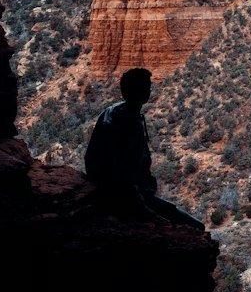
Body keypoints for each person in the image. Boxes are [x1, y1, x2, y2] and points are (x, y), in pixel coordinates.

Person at [84, 67, 203, 229]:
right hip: (127, 197)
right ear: (142, 92)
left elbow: (93, 160)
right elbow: (123, 177)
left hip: (113, 190)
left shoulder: (112, 112)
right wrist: (146, 212)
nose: (149, 90)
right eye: (146, 87)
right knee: (196, 227)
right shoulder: (129, 124)